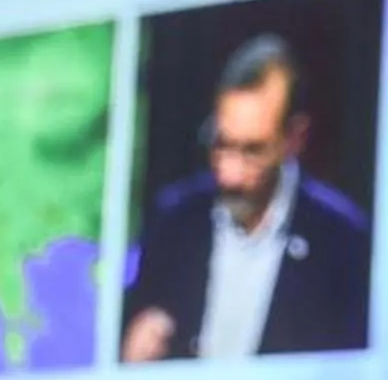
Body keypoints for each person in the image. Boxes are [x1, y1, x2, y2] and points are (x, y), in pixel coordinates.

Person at [121, 33, 372, 362]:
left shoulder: (341, 241)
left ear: (294, 138)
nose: (230, 174)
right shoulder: (174, 219)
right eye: (221, 144)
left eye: (252, 151)